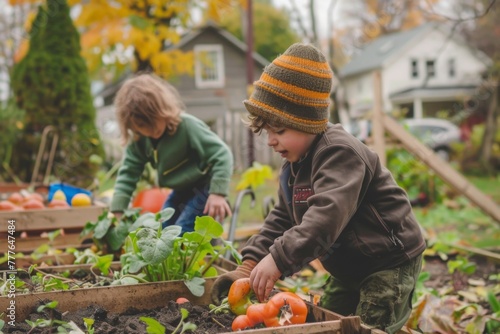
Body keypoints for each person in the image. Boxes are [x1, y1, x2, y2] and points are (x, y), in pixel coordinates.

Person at [211, 43, 426, 334]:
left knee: (368, 328)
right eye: (267, 132)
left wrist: (278, 259)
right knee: (326, 323)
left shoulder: (339, 153)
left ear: (307, 121)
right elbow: (282, 219)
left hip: (387, 263)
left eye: (280, 130)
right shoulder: (292, 167)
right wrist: (248, 267)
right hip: (349, 267)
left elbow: (325, 217)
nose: (271, 141)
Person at [110, 73, 233, 234]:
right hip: (180, 190)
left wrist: (218, 193)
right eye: (142, 125)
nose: (151, 129)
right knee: (163, 231)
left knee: (182, 232)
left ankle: (196, 255)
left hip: (204, 187)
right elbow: (127, 175)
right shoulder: (139, 141)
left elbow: (222, 154)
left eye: (153, 120)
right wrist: (117, 210)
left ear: (162, 109)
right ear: (131, 125)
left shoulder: (187, 126)